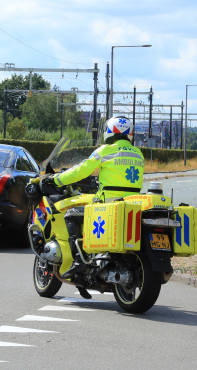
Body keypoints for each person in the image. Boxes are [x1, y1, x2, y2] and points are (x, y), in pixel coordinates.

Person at [48, 116, 145, 280]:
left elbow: (81, 170)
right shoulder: (138, 153)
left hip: (107, 205)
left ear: (108, 132)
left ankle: (78, 261)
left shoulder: (105, 151)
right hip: (132, 205)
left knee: (71, 214)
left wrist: (57, 179)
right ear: (130, 134)